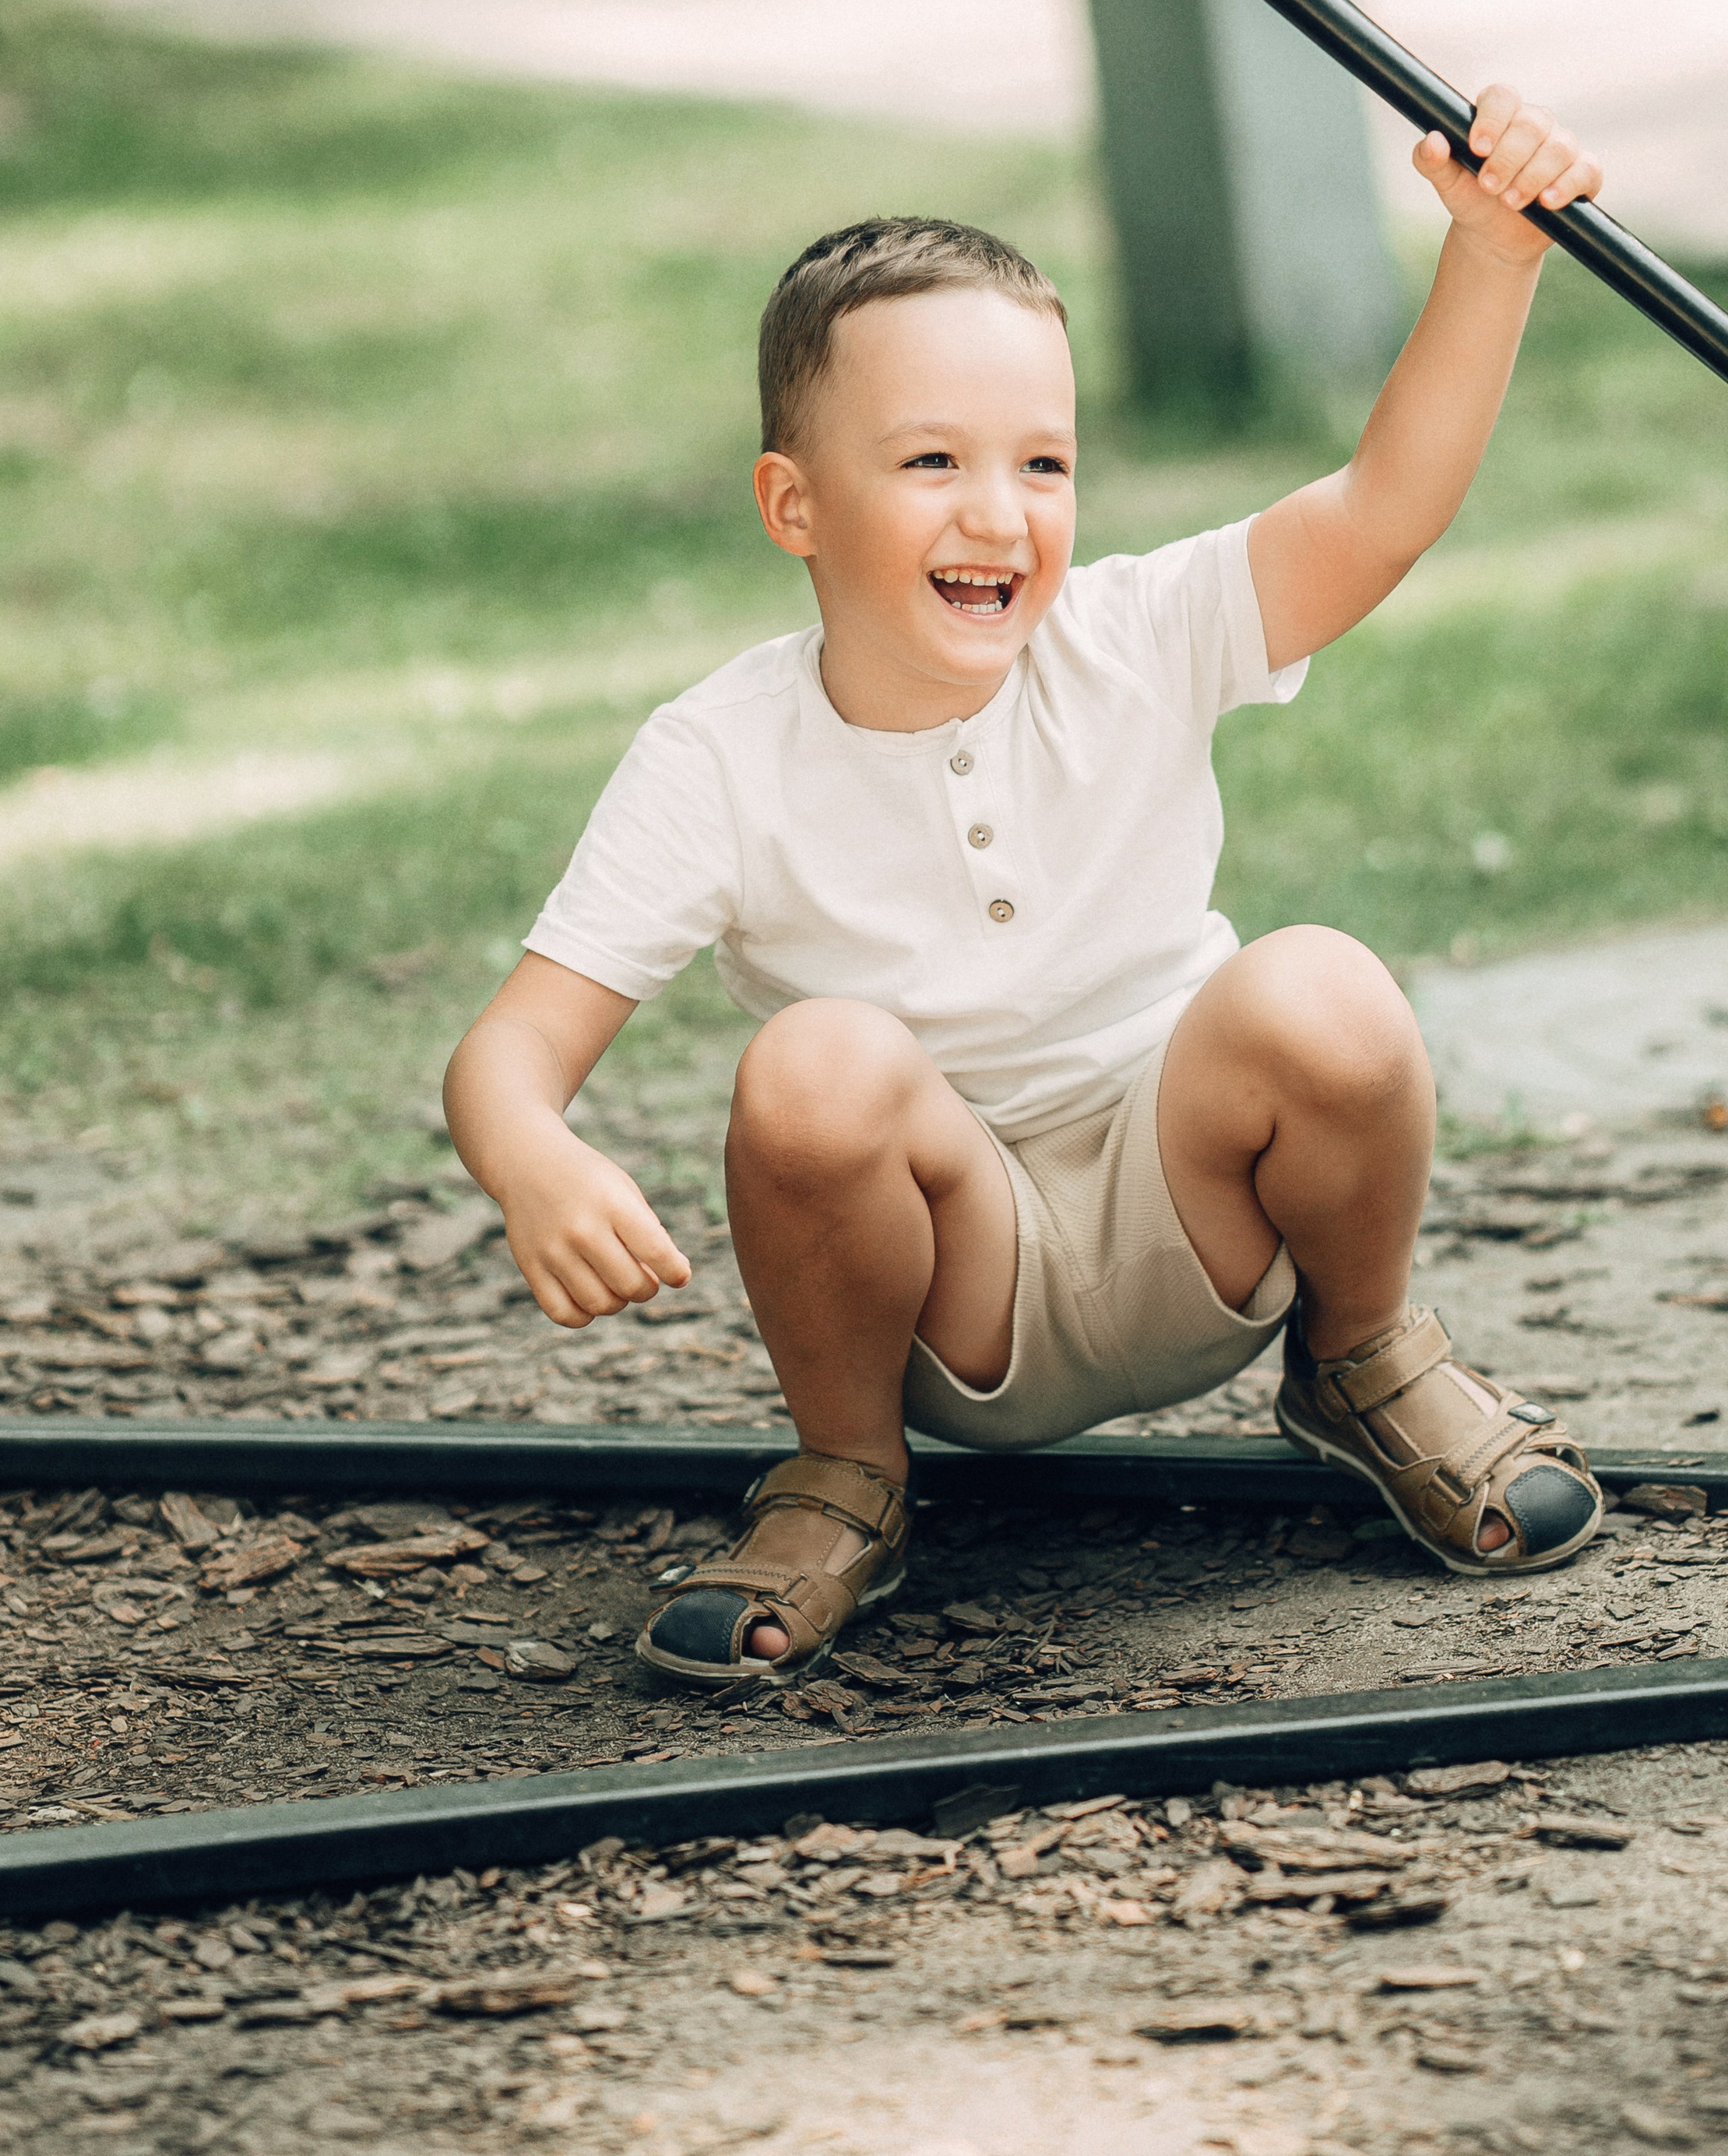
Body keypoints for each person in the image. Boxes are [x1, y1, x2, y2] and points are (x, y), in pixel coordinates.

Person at [444, 85, 1607, 1691]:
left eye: (1041, 462)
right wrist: (533, 1159)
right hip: (952, 1295)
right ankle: (843, 1476)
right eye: (929, 460)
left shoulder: (1133, 634)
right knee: (813, 1064)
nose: (998, 512)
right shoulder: (718, 754)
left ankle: (1356, 1361)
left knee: (1317, 986)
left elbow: (1382, 508)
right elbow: (510, 1051)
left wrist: (1489, 257)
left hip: (1189, 1215)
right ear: (794, 505)